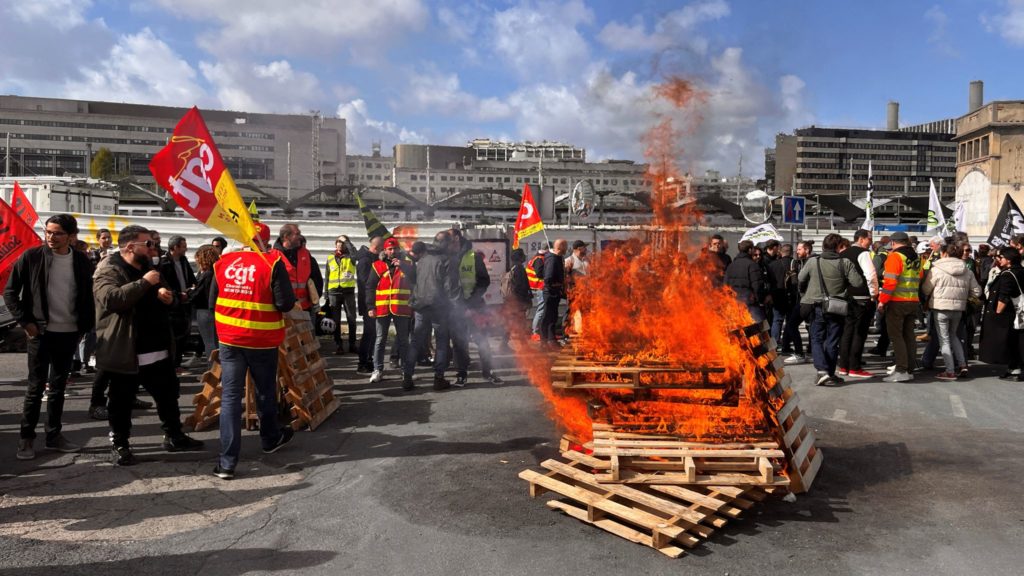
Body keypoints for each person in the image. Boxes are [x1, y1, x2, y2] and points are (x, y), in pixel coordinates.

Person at [93, 225, 203, 466]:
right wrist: (144, 283)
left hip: (158, 347)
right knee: (121, 402)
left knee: (168, 396)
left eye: (154, 243)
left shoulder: (151, 268)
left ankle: (174, 435)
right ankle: (120, 444)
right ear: (131, 247)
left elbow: (170, 297)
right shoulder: (109, 269)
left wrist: (169, 296)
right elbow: (111, 300)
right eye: (149, 244)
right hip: (127, 349)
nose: (154, 247)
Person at [210, 222, 296, 479]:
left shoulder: (224, 262)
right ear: (267, 242)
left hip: (229, 340)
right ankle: (270, 439)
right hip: (262, 340)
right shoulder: (272, 263)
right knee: (265, 392)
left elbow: (212, 299)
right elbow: (285, 303)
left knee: (230, 399)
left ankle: (227, 463)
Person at [6, 214, 95, 460]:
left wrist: (83, 328)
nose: (51, 237)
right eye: (48, 232)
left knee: (58, 388)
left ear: (71, 236)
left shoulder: (81, 260)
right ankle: (26, 439)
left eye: (57, 233)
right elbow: (11, 292)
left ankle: (54, 435)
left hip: (69, 333)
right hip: (41, 333)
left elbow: (87, 296)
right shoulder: (32, 257)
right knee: (35, 388)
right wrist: (26, 322)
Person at [798, 233, 864, 386]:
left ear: (823, 246)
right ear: (838, 247)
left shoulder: (813, 261)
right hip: (837, 306)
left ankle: (822, 371)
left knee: (816, 339)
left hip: (816, 305)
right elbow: (858, 282)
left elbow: (801, 278)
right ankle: (829, 373)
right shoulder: (845, 262)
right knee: (833, 341)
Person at [921, 241, 981, 380]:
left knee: (944, 340)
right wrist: (964, 296)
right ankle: (962, 364)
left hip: (940, 307)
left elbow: (926, 289)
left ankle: (950, 371)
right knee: (954, 336)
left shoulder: (936, 269)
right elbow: (977, 291)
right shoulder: (967, 270)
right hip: (959, 309)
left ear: (944, 253)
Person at [408, 231, 458, 390]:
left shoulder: (422, 259)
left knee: (416, 341)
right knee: (442, 342)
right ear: (446, 244)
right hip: (439, 307)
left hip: (420, 306)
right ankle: (438, 378)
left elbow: (415, 281)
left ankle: (407, 377)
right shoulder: (446, 260)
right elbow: (449, 288)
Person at [449, 227, 498, 386]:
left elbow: (484, 281)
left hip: (475, 306)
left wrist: (471, 302)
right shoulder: (445, 257)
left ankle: (488, 371)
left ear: (456, 238)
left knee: (482, 340)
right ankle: (461, 374)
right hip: (455, 309)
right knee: (459, 343)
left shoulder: (473, 256)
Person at [365, 237, 414, 385]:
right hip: (382, 308)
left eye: (395, 249)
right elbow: (370, 287)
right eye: (389, 249)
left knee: (403, 340)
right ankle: (378, 370)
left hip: (402, 308)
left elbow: (415, 280)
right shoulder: (377, 266)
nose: (392, 251)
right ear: (384, 251)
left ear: (399, 250)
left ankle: (406, 370)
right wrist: (370, 307)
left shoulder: (407, 264)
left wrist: (404, 266)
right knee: (380, 340)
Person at [877, 231, 923, 383]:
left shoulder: (895, 257)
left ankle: (901, 370)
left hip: (897, 302)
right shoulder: (916, 257)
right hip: (913, 300)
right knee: (909, 336)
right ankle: (909, 368)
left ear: (893, 243)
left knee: (896, 336)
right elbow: (920, 276)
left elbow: (890, 282)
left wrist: (882, 301)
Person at [837, 229, 878, 378]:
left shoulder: (843, 253)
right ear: (861, 239)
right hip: (861, 297)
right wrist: (874, 293)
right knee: (859, 333)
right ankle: (854, 367)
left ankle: (843, 366)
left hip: (846, 297)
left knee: (847, 331)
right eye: (869, 239)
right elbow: (871, 274)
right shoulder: (864, 253)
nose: (871, 242)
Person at [980, 247, 1024, 380]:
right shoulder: (1021, 271)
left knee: (1010, 342)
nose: (998, 259)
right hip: (1018, 313)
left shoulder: (1007, 275)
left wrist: (997, 312)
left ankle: (1016, 368)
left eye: (1001, 257)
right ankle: (1014, 367)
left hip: (1010, 313)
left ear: (1008, 260)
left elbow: (1004, 296)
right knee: (1018, 341)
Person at [159, 235, 198, 368]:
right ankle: (172, 365)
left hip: (185, 301)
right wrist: (176, 294)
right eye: (183, 246)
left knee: (184, 334)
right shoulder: (164, 262)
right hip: (173, 302)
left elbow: (191, 278)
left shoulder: (183, 260)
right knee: (173, 335)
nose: (186, 249)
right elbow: (164, 284)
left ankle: (177, 363)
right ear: (175, 247)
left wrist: (193, 288)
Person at [271, 224, 317, 324]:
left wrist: (315, 300)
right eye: (297, 234)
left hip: (305, 309)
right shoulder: (273, 256)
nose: (300, 236)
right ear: (286, 237)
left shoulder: (305, 254)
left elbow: (315, 277)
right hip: (283, 311)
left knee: (307, 339)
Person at [325, 235, 358, 355]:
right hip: (334, 292)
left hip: (348, 292)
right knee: (336, 321)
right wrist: (326, 294)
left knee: (351, 319)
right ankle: (338, 345)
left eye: (342, 242)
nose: (340, 244)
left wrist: (347, 241)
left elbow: (355, 254)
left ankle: (352, 344)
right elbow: (327, 276)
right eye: (338, 241)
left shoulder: (351, 257)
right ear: (335, 244)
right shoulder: (330, 257)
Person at [355, 236, 384, 372]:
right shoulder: (365, 261)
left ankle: (369, 359)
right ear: (376, 248)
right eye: (382, 248)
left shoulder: (374, 260)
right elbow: (366, 283)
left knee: (373, 333)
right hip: (368, 303)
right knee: (369, 333)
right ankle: (362, 362)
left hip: (375, 301)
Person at [782, 241, 812, 365]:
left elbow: (799, 282)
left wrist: (794, 276)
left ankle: (801, 353)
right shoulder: (799, 262)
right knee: (805, 326)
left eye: (799, 249)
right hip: (802, 300)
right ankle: (805, 352)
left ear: (807, 249)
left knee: (796, 325)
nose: (797, 252)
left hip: (808, 300)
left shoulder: (812, 262)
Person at [190, 244, 220, 362]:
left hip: (205, 310)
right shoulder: (216, 271)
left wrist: (189, 293)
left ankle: (214, 372)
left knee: (210, 343)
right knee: (215, 342)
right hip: (214, 309)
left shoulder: (207, 274)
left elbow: (197, 293)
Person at [725, 240, 766, 323]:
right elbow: (757, 285)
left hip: (734, 303)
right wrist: (760, 299)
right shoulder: (752, 265)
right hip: (750, 303)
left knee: (739, 329)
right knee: (761, 329)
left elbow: (725, 285)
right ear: (750, 250)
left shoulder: (731, 265)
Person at [502, 248, 533, 350]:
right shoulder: (519, 269)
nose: (524, 256)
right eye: (522, 255)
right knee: (520, 324)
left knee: (511, 323)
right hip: (518, 303)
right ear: (520, 257)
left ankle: (504, 345)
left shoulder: (511, 268)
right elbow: (522, 287)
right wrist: (525, 301)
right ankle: (524, 346)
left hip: (510, 302)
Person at [540, 239, 568, 347]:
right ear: (560, 248)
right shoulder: (552, 259)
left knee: (553, 316)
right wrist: (557, 285)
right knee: (547, 316)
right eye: (565, 246)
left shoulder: (558, 257)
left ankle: (551, 340)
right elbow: (548, 278)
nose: (567, 248)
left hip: (555, 292)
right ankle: (543, 342)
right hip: (550, 293)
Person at [528, 246, 548, 339]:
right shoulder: (539, 259)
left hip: (540, 287)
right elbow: (540, 274)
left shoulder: (537, 258)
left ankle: (541, 332)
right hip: (540, 287)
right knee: (541, 309)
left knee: (543, 309)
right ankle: (535, 332)